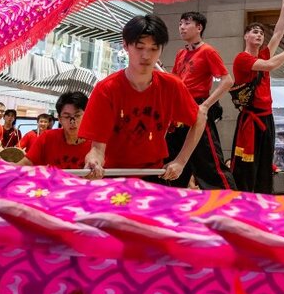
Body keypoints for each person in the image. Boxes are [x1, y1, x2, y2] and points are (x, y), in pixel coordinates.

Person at [79, 15, 205, 182]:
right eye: (139, 47)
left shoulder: (172, 86)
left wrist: (181, 161)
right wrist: (93, 160)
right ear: (125, 45)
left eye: (153, 49)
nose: (146, 55)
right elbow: (97, 147)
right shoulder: (106, 89)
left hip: (154, 175)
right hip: (113, 176)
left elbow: (200, 117)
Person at [231, 0, 284, 193]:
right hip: (250, 121)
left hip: (267, 117)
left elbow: (279, 33)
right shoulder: (242, 59)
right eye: (254, 32)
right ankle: (244, 199)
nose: (259, 35)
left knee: (264, 164)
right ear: (246, 36)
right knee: (247, 164)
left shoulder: (263, 52)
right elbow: (270, 65)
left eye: (261, 33)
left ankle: (264, 198)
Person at [168, 11, 237, 190]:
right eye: (180, 23)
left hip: (196, 109)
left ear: (199, 28)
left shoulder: (207, 51)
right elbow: (176, 81)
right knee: (173, 161)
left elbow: (228, 80)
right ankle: (172, 202)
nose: (181, 27)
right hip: (178, 111)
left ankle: (229, 202)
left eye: (186, 23)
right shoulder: (180, 53)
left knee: (209, 160)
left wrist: (205, 105)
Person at [17, 92, 90, 169]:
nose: (72, 121)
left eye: (77, 116)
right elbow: (26, 163)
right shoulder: (47, 137)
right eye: (66, 116)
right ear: (59, 119)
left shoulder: (97, 145)